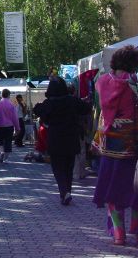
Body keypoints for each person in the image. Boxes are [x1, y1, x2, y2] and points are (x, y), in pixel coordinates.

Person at [92, 46, 138, 246]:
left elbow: (98, 110)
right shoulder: (135, 82)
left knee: (112, 192)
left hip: (110, 145)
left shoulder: (101, 83)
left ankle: (118, 235)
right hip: (135, 143)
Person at [34, 77, 90, 205]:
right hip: (71, 137)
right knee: (68, 167)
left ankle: (64, 192)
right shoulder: (72, 100)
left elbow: (37, 110)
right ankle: (67, 191)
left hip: (55, 139)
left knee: (58, 168)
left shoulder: (50, 103)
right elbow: (85, 109)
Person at [0, 89, 20, 163]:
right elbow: (15, 118)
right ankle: (6, 159)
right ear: (9, 95)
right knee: (8, 142)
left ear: (1, 95)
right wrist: (17, 128)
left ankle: (1, 152)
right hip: (9, 126)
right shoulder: (12, 105)